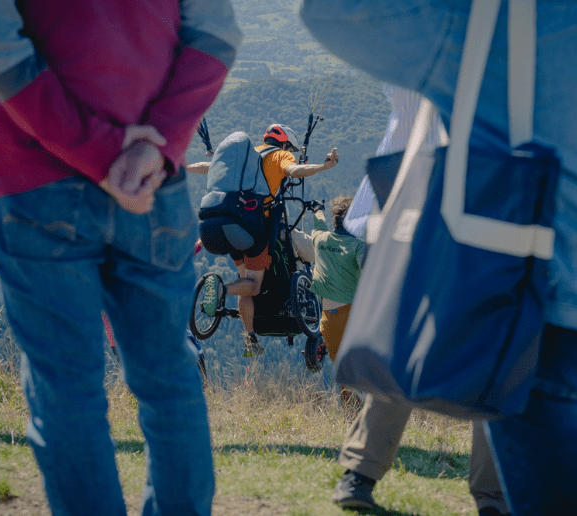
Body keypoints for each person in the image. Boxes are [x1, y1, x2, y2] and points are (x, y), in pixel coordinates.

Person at [300, 1, 577, 514]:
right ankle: (482, 493)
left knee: (472, 349)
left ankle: (393, 478)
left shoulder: (502, 17)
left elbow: (332, 14)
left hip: (546, 284)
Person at [0, 0, 240, 514]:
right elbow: (216, 35)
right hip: (154, 184)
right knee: (169, 381)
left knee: (66, 390)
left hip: (38, 180)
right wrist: (157, 145)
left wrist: (99, 152)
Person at [331, 85, 510, 515]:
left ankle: (360, 472)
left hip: (418, 206)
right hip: (482, 203)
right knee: (489, 351)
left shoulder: (430, 43)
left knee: (406, 342)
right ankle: (492, 497)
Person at [203, 124, 338, 357]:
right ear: (285, 144)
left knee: (245, 284)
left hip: (233, 224)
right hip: (257, 228)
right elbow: (294, 171)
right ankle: (221, 289)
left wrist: (179, 166)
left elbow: (209, 166)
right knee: (253, 285)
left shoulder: (249, 153)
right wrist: (324, 166)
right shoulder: (280, 155)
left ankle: (250, 338)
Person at [307, 196, 366, 405]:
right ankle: (368, 419)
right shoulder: (358, 246)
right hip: (353, 316)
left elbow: (318, 224)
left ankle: (352, 424)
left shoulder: (321, 240)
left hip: (328, 322)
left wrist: (317, 209)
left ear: (336, 221)